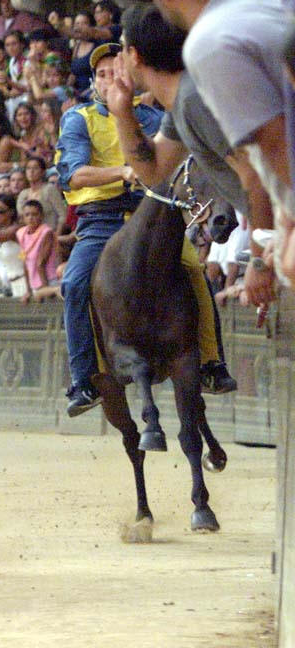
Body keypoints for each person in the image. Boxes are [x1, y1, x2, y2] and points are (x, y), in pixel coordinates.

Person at [56, 43, 230, 417]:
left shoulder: (151, 118)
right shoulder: (78, 119)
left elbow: (178, 161)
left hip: (149, 214)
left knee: (196, 271)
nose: (109, 80)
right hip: (100, 220)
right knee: (74, 283)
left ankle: (212, 364)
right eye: (101, 75)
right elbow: (73, 173)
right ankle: (83, 379)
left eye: (115, 71)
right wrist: (122, 171)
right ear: (93, 83)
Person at [109, 2, 272, 324]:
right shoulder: (182, 102)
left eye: (123, 49)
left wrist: (258, 264)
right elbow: (152, 170)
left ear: (136, 56)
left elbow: (256, 176)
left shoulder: (194, 98)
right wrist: (122, 113)